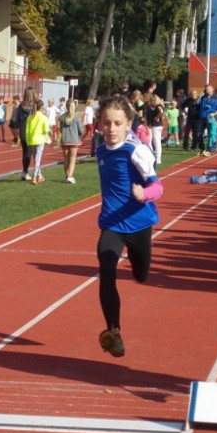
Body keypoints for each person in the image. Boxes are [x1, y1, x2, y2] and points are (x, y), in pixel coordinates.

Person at [94, 96, 163, 358]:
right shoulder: (101, 150)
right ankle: (114, 332)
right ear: (99, 123)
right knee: (106, 266)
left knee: (141, 274)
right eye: (106, 123)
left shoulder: (136, 150)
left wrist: (143, 194)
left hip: (139, 223)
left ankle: (138, 265)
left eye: (117, 123)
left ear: (128, 124)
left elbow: (158, 186)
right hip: (112, 223)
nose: (111, 129)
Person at [25, 99, 50, 184]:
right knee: (37, 160)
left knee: (36, 159)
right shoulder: (44, 117)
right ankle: (35, 177)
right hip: (40, 140)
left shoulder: (30, 117)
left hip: (32, 140)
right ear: (42, 107)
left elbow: (27, 131)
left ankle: (40, 175)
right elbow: (46, 130)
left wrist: (28, 141)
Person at [58, 98, 82, 183]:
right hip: (74, 140)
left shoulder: (62, 117)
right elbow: (81, 130)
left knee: (66, 159)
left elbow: (60, 129)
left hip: (65, 139)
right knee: (72, 159)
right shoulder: (76, 117)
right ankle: (70, 176)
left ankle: (67, 176)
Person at [14, 87, 35, 179]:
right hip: (30, 130)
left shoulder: (20, 105)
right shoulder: (33, 105)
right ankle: (27, 172)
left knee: (25, 152)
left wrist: (17, 132)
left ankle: (24, 171)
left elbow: (17, 119)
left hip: (23, 129)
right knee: (30, 152)